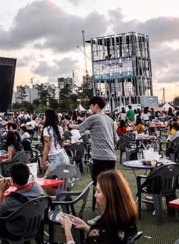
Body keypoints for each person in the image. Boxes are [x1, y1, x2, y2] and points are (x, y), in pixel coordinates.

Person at [69, 96, 118, 224]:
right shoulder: (110, 119)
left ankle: (103, 217)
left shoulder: (94, 117)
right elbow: (115, 140)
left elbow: (79, 127)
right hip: (111, 157)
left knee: (100, 188)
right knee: (109, 188)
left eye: (90, 106)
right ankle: (112, 214)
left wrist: (67, 125)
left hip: (100, 158)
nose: (90, 109)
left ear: (96, 106)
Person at [60, 170, 138, 244]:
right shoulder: (129, 218)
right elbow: (109, 237)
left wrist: (68, 231)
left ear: (109, 196)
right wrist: (85, 226)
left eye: (98, 191)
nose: (95, 195)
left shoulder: (103, 225)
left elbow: (102, 236)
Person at [0, 163, 44, 240]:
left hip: (17, 231)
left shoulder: (14, 199)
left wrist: (1, 191)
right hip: (35, 226)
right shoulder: (37, 187)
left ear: (12, 179)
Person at [41, 109, 70, 176]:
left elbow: (47, 146)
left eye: (44, 115)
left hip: (55, 157)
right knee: (60, 180)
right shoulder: (59, 128)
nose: (43, 117)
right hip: (63, 155)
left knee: (47, 180)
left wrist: (43, 160)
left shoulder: (47, 129)